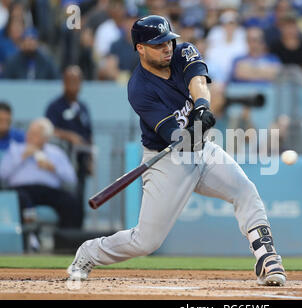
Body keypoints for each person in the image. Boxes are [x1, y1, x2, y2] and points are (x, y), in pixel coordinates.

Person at [67, 15, 287, 287]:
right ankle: (90, 251)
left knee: (245, 190)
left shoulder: (184, 51)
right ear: (140, 49)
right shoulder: (139, 88)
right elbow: (173, 134)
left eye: (168, 41)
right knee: (146, 242)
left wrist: (203, 106)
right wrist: (188, 133)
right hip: (167, 160)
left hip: (203, 150)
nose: (166, 48)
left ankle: (267, 258)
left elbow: (198, 83)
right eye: (158, 45)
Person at [0, 118, 82, 235]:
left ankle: (66, 242)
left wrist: (54, 169)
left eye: (36, 134)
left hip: (48, 191)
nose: (30, 137)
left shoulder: (56, 153)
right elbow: (2, 174)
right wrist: (22, 157)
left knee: (71, 202)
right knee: (22, 200)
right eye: (30, 133)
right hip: (22, 190)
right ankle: (30, 237)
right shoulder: (15, 150)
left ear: (46, 138)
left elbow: (72, 180)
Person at [45, 65, 93, 222]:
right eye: (70, 80)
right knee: (65, 197)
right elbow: (48, 129)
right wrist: (69, 136)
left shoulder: (83, 107)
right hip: (62, 161)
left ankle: (78, 233)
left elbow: (88, 134)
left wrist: (90, 159)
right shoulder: (55, 107)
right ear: (64, 82)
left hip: (80, 161)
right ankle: (65, 233)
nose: (74, 84)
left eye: (77, 81)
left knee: (80, 196)